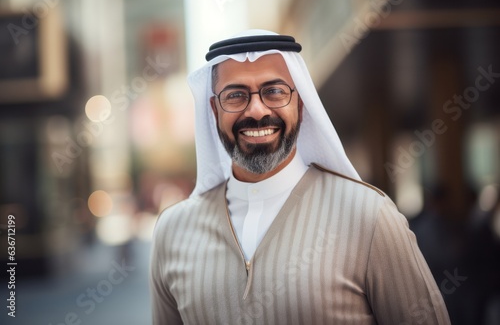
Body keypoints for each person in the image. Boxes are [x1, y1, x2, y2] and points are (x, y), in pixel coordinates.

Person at [150, 29, 451, 324]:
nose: (256, 110)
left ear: (301, 103)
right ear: (215, 110)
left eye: (275, 91)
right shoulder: (173, 230)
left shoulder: (368, 215)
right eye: (236, 95)